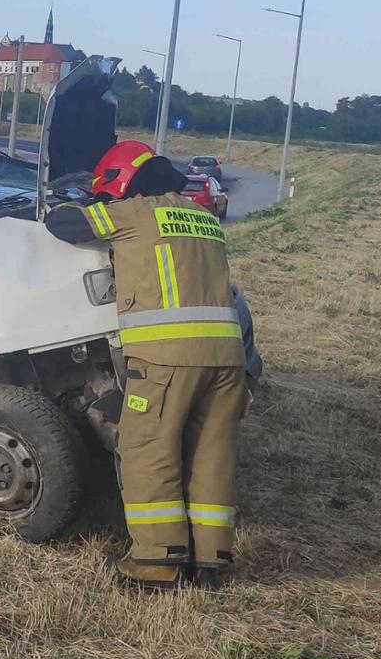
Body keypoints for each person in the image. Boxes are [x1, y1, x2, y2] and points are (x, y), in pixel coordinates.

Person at [44, 140, 249, 590]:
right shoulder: (202, 217)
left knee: (147, 452)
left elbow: (63, 223)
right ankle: (210, 561)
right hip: (227, 359)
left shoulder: (135, 213)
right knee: (211, 456)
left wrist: (82, 202)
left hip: (167, 359)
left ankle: (157, 563)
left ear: (121, 183)